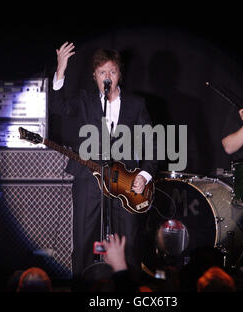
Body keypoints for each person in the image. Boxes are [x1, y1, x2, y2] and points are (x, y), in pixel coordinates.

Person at [50, 42, 158, 281]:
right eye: (102, 72)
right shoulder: (86, 100)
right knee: (84, 239)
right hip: (89, 178)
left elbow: (151, 143)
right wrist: (61, 70)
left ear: (120, 75)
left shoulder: (136, 104)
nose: (107, 77)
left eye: (112, 71)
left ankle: (127, 288)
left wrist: (144, 175)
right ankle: (82, 287)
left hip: (124, 180)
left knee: (127, 241)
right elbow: (59, 107)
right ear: (94, 77)